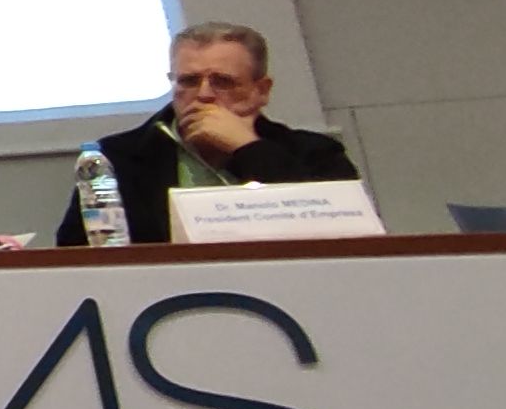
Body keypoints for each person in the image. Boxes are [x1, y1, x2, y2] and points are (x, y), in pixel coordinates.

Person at [56, 21, 359, 246]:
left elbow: (344, 236)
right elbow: (76, 253)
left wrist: (249, 149)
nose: (203, 95)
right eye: (188, 81)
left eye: (223, 82)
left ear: (261, 90)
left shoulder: (316, 153)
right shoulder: (117, 158)